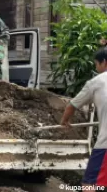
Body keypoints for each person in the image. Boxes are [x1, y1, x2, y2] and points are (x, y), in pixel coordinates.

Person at [60, 46, 107, 191]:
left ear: (103, 62)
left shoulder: (96, 82)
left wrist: (65, 121)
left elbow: (72, 105)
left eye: (96, 64)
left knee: (89, 185)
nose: (96, 67)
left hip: (105, 145)